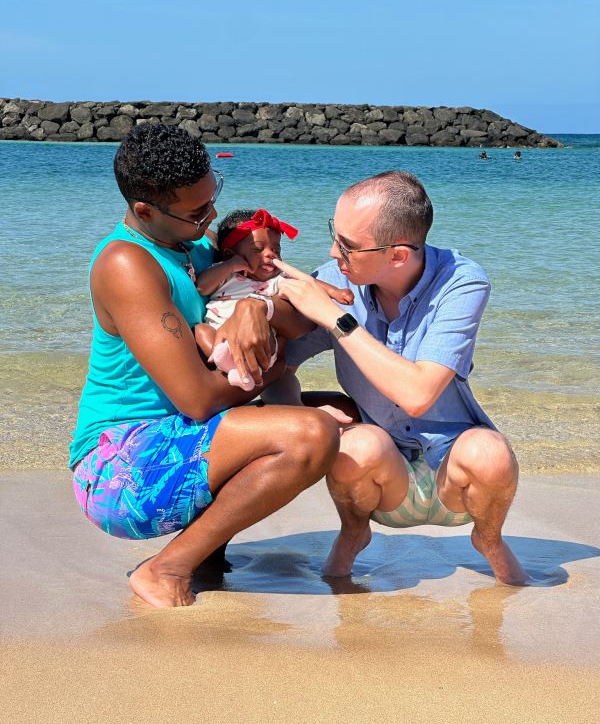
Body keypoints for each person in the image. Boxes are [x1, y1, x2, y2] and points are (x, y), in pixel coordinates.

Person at [69, 123, 346, 609]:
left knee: (345, 411)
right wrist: (275, 369)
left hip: (180, 432)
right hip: (118, 466)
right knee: (312, 433)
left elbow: (296, 320)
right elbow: (197, 398)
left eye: (213, 198)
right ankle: (166, 569)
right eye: (197, 212)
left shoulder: (195, 247)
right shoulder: (127, 264)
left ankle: (207, 551)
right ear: (145, 210)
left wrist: (253, 309)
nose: (212, 216)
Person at [265, 170, 529, 586]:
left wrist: (336, 319)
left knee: (490, 452)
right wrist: (299, 409)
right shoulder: (334, 280)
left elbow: (418, 394)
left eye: (348, 247)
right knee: (358, 442)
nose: (333, 253)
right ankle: (353, 534)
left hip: (454, 478)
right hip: (379, 474)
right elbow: (277, 367)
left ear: (398, 256)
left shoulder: (462, 282)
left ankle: (489, 540)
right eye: (334, 234)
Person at [194, 207, 353, 389]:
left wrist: (336, 292)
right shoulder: (225, 274)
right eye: (258, 249)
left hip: (257, 344)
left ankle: (240, 371)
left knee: (268, 337)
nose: (271, 254)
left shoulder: (276, 281)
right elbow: (202, 286)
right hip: (219, 337)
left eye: (276, 250)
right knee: (200, 330)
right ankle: (224, 362)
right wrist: (231, 265)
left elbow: (307, 283)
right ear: (231, 254)